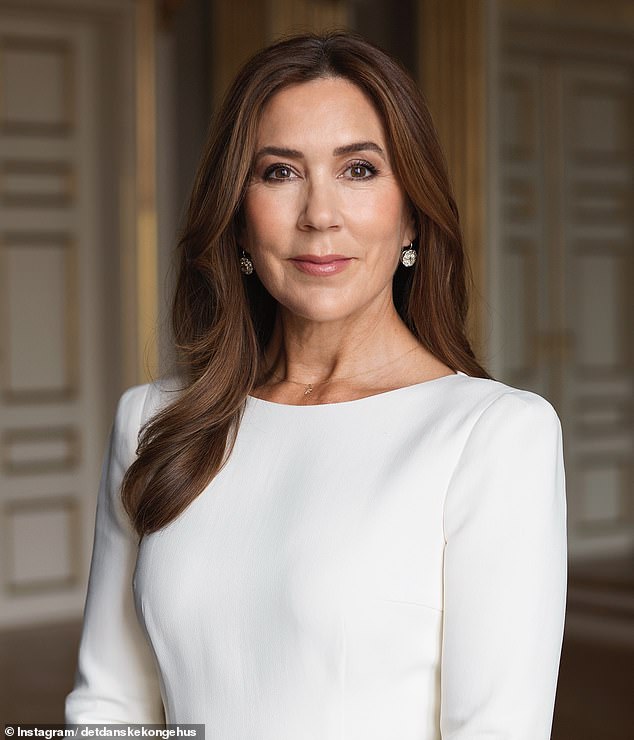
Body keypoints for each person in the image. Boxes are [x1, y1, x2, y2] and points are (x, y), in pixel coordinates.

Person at [65, 31, 567, 740]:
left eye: (359, 170)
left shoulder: (495, 435)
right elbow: (107, 709)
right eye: (279, 173)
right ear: (238, 218)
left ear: (413, 214)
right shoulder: (153, 421)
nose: (320, 215)